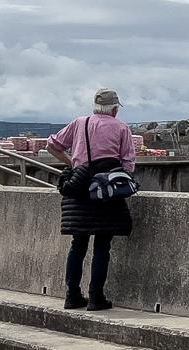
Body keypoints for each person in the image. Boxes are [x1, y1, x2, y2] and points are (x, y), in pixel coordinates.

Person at [47, 88, 137, 312]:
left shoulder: (80, 123)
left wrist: (74, 165)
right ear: (115, 108)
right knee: (102, 246)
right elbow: (128, 165)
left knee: (77, 245)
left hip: (79, 188)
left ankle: (72, 296)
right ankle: (96, 297)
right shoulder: (121, 127)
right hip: (105, 192)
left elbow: (52, 145)